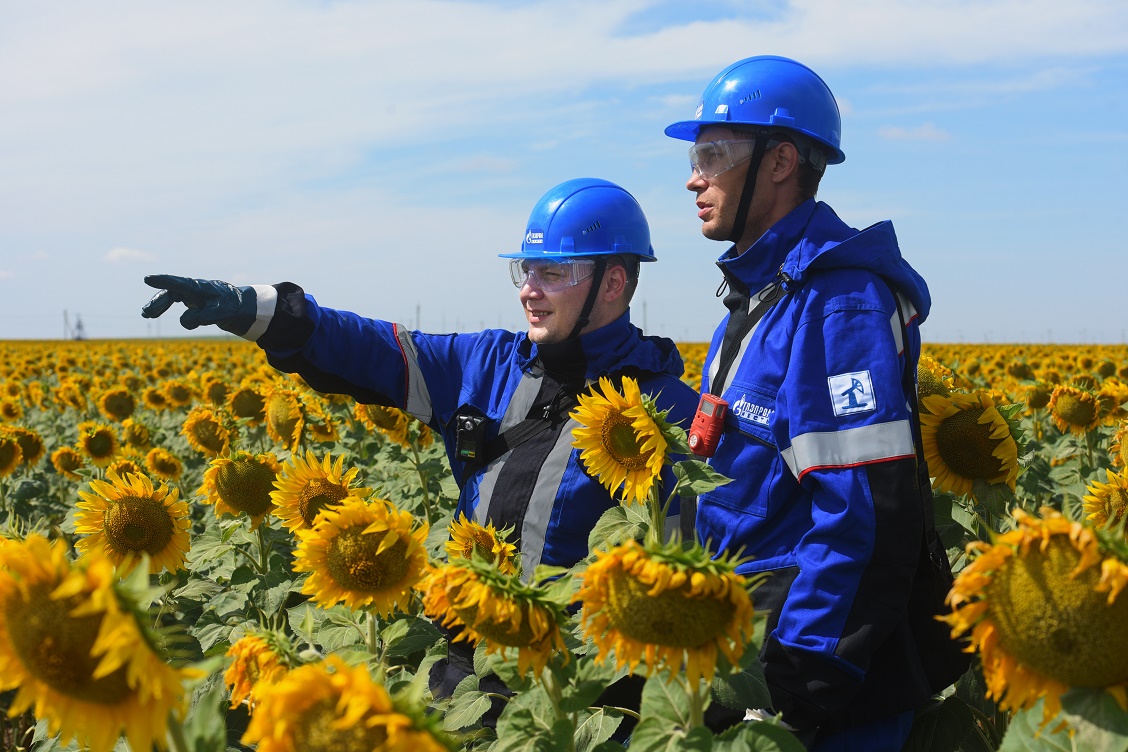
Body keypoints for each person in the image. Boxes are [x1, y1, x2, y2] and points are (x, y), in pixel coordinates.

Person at [140, 176, 700, 720]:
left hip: (586, 691)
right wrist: (260, 310)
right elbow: (371, 349)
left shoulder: (666, 409)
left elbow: (698, 571)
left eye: (553, 272)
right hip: (467, 672)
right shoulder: (484, 366)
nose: (530, 289)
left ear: (614, 282)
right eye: (526, 270)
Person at [665, 56, 953, 750]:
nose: (693, 176)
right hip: (749, 657)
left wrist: (803, 683)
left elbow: (867, 511)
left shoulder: (837, 302)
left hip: (815, 692)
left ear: (780, 160)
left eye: (713, 154)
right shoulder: (761, 295)